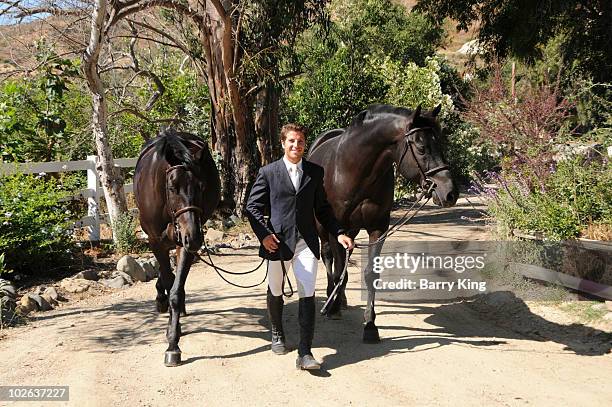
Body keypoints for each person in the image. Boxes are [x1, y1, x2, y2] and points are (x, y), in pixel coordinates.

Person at [246, 123, 354, 370]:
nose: (297, 145)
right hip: (278, 244)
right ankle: (277, 332)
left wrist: (339, 233)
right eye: (292, 141)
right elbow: (252, 208)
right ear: (283, 143)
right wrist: (264, 235)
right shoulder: (268, 172)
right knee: (275, 289)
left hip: (306, 242)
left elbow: (323, 209)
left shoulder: (315, 172)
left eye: (301, 142)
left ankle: (305, 352)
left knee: (308, 293)